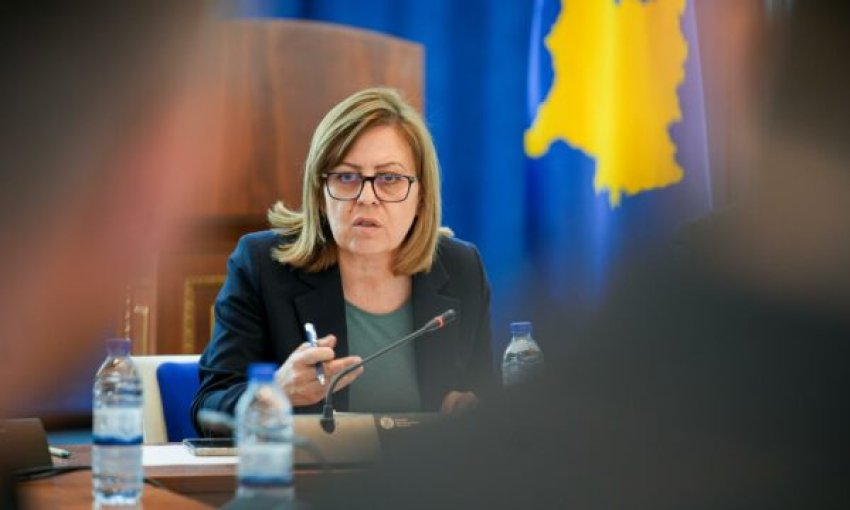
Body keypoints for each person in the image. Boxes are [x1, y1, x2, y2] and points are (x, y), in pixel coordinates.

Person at [192, 88, 493, 431]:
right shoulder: (263, 266)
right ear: (320, 193)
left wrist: (477, 413)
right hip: (309, 467)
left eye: (389, 178)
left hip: (427, 467)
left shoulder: (461, 269)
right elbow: (206, 410)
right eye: (347, 177)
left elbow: (486, 401)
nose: (367, 198)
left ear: (421, 195)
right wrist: (276, 392)